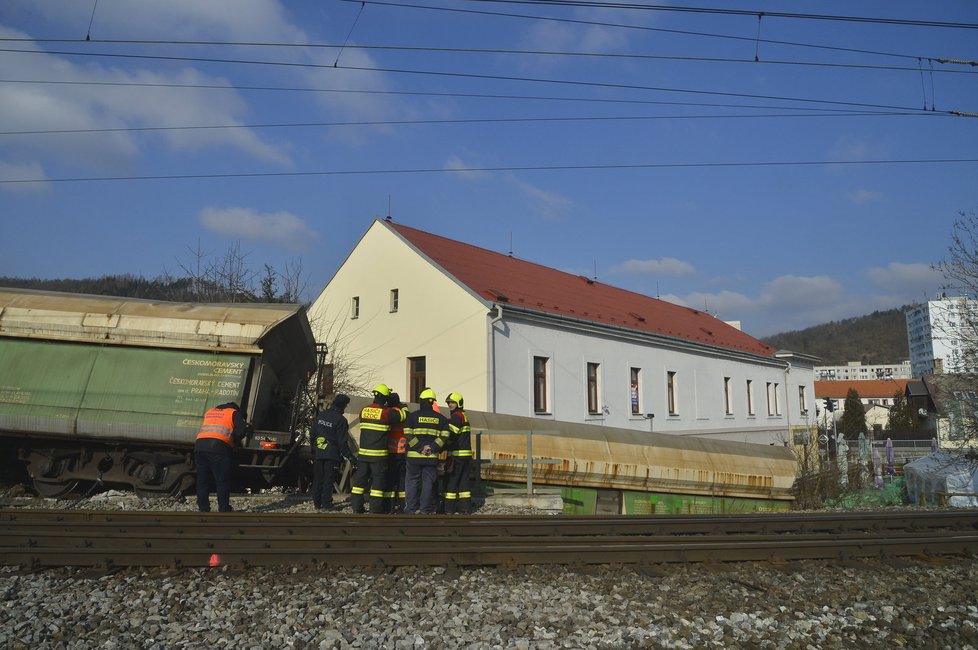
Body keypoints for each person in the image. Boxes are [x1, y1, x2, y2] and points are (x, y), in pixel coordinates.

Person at [351, 383, 405, 514]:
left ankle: (357, 508)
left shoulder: (364, 410)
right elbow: (403, 416)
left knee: (359, 484)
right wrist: (400, 405)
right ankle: (375, 510)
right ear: (385, 397)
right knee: (377, 483)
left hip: (363, 455)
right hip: (379, 457)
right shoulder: (386, 413)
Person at [404, 388, 451, 515]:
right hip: (431, 457)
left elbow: (407, 435)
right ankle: (425, 510)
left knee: (412, 482)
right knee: (428, 483)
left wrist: (420, 448)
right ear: (432, 402)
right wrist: (432, 448)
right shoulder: (441, 419)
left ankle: (410, 509)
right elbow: (445, 436)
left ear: (421, 401)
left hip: (414, 456)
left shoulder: (412, 417)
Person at [194, 401, 246, 512]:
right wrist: (233, 442)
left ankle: (203, 508)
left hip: (199, 446)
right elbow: (241, 431)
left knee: (202, 480)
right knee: (222, 480)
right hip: (218, 448)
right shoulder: (234, 413)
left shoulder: (210, 411)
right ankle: (224, 508)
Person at [310, 393, 354, 510]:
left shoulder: (321, 415)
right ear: (343, 406)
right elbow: (342, 442)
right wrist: (350, 456)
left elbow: (312, 434)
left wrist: (314, 448)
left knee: (318, 479)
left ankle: (317, 503)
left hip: (319, 452)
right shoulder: (341, 420)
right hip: (332, 454)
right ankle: (327, 504)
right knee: (328, 480)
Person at [443, 392, 474, 515]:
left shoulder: (456, 417)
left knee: (451, 483)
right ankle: (465, 509)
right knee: (464, 484)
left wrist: (442, 446)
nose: (450, 405)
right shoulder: (464, 415)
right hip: (465, 456)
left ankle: (448, 510)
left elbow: (451, 435)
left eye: (452, 402)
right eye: (449, 403)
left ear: (459, 403)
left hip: (457, 456)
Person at [383, 392, 408, 514]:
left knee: (390, 480)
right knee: (402, 480)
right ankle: (403, 506)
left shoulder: (388, 413)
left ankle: (389, 506)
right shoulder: (402, 412)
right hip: (402, 452)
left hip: (390, 452)